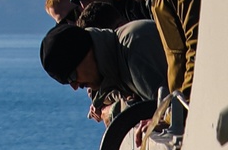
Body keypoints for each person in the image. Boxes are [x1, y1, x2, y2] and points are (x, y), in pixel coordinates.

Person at [39, 20, 167, 108]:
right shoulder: (116, 61)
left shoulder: (134, 48)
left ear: (85, 52)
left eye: (72, 76)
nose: (75, 86)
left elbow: (170, 108)